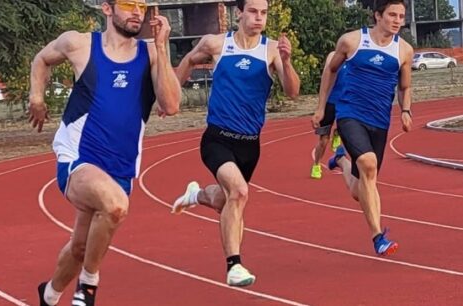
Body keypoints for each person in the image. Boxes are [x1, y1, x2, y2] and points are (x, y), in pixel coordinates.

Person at [28, 1, 181, 305]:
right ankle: (89, 284)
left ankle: (49, 295)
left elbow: (171, 105)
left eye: (142, 5)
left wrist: (162, 49)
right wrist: (36, 98)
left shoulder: (151, 53)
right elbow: (41, 60)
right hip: (77, 159)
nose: (138, 12)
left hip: (120, 168)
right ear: (107, 9)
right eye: (128, 4)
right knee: (115, 206)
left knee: (80, 249)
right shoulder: (80, 44)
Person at [171, 0, 300, 287]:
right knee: (239, 193)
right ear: (239, 13)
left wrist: (287, 62)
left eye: (264, 13)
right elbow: (189, 60)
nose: (259, 18)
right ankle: (234, 266)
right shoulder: (216, 44)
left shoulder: (270, 51)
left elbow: (292, 92)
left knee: (223, 200)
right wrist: (171, 97)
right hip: (217, 138)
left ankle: (198, 195)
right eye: (253, 11)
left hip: (250, 146)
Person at [311, 0, 413, 256]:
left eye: (401, 15)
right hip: (350, 115)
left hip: (379, 121)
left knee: (362, 187)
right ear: (378, 16)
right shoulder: (352, 41)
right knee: (368, 164)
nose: (398, 20)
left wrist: (406, 111)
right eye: (392, 14)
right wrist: (322, 108)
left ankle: (342, 162)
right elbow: (330, 71)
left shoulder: (404, 50)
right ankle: (378, 237)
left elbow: (404, 86)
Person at [310, 51, 346, 179]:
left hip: (346, 103)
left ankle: (338, 132)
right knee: (323, 140)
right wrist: (321, 107)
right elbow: (327, 80)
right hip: (330, 103)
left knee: (350, 131)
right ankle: (316, 164)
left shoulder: (357, 59)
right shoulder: (334, 58)